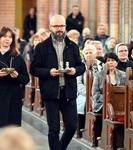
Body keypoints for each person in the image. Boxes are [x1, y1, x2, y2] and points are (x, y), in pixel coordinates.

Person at [30, 14, 85, 150]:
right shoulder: (41, 47)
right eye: (56, 26)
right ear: (50, 27)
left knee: (72, 126)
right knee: (53, 128)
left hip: (69, 92)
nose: (59, 29)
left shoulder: (72, 46)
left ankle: (60, 148)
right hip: (51, 93)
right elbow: (34, 68)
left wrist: (74, 70)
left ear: (65, 26)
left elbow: (81, 66)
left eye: (61, 26)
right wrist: (48, 72)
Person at [0, 26, 29, 127]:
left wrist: (17, 76)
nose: (7, 39)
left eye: (10, 37)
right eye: (4, 36)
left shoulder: (17, 57)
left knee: (11, 129)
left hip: (13, 96)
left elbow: (26, 79)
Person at [92, 52, 126, 139]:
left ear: (116, 63)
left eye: (113, 60)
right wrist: (107, 99)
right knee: (106, 108)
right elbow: (95, 93)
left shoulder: (123, 75)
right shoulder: (98, 75)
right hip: (102, 103)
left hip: (119, 103)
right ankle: (102, 135)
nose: (110, 63)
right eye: (108, 61)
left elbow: (126, 91)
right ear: (104, 63)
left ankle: (120, 136)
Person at [76, 44, 103, 137]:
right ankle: (82, 128)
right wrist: (88, 93)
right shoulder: (80, 66)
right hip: (84, 93)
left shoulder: (101, 65)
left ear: (95, 53)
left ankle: (97, 132)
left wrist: (95, 94)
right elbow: (78, 83)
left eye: (90, 52)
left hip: (97, 93)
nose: (88, 55)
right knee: (83, 104)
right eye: (86, 53)